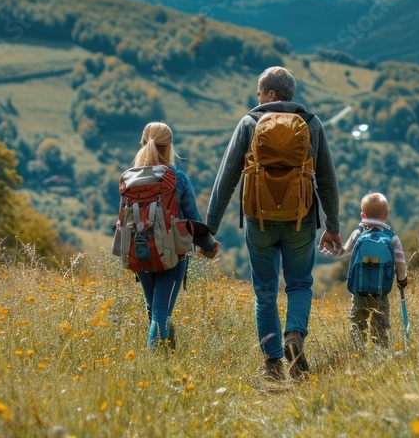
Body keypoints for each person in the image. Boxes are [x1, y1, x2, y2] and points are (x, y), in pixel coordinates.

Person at [205, 66, 341, 381]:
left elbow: (225, 180)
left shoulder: (249, 123)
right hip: (300, 221)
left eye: (259, 93)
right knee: (299, 283)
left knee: (265, 291)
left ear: (270, 94)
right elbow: (326, 180)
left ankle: (273, 365)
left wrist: (208, 230)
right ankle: (294, 336)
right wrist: (332, 226)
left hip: (259, 220)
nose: (257, 99)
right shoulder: (311, 124)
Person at [130, 122, 217, 350]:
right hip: (172, 255)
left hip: (139, 253)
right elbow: (193, 221)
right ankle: (153, 365)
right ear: (169, 147)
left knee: (154, 309)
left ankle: (166, 354)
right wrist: (209, 246)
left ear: (142, 144)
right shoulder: (178, 178)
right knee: (161, 312)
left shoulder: (129, 179)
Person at [331, 192, 408, 349]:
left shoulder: (358, 234)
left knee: (358, 323)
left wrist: (329, 249)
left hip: (359, 291)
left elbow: (342, 251)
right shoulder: (392, 238)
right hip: (381, 292)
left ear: (362, 215)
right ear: (386, 216)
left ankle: (358, 352)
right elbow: (400, 263)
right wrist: (402, 279)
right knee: (380, 325)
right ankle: (380, 352)